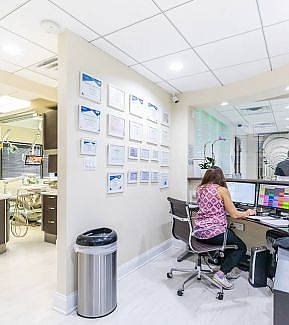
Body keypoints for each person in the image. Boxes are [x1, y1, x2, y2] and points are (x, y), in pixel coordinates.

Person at [194, 166, 256, 290]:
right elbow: (234, 215)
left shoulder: (199, 189)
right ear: (221, 178)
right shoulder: (222, 190)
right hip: (214, 234)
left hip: (199, 233)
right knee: (241, 247)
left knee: (231, 236)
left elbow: (210, 207)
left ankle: (225, 269)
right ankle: (221, 274)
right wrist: (248, 212)